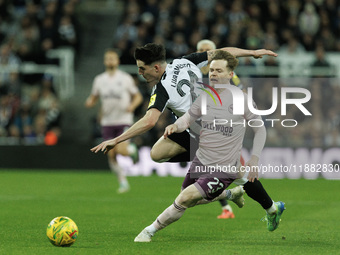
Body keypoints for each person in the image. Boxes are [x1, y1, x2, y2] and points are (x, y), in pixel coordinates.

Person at [91, 43, 280, 226]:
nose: (140, 73)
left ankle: (270, 208)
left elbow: (149, 121)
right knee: (156, 154)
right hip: (192, 128)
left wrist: (116, 140)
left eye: (142, 69)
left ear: (156, 67)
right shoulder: (184, 61)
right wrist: (251, 52)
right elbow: (222, 52)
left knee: (239, 175)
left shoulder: (162, 89)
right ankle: (250, 200)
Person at [134, 50, 285, 242]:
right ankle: (270, 207)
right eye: (211, 70)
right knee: (189, 197)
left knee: (185, 198)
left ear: (230, 75)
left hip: (225, 165)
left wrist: (254, 157)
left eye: (218, 71)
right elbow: (187, 119)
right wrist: (175, 125)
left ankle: (148, 232)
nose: (213, 74)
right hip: (203, 158)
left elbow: (260, 129)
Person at [197, 39, 243, 219]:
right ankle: (229, 204)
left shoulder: (226, 75)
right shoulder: (192, 74)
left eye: (208, 50)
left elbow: (240, 91)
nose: (206, 53)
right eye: (202, 50)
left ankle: (235, 198)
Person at [85, 49, 142, 193]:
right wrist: (90, 102)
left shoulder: (125, 78)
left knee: (121, 150)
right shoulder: (99, 80)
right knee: (111, 154)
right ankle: (123, 182)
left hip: (123, 119)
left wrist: (132, 106)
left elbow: (138, 97)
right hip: (107, 122)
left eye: (112, 58)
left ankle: (131, 151)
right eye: (107, 58)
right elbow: (94, 97)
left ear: (117, 61)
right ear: (105, 61)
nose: (110, 60)